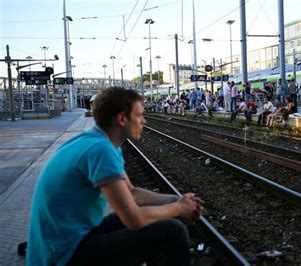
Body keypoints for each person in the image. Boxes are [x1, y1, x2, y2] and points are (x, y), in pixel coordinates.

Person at [27, 87, 204, 266]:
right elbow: (134, 219)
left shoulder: (101, 142)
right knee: (172, 231)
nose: (144, 120)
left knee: (161, 219)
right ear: (121, 119)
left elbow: (133, 193)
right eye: (139, 115)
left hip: (68, 241)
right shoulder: (100, 149)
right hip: (63, 256)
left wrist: (176, 199)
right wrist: (178, 208)